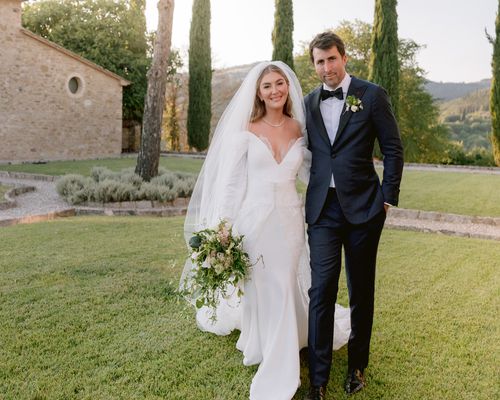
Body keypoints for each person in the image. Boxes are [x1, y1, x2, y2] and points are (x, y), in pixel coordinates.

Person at [181, 61, 350, 400]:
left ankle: (283, 349)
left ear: (288, 87)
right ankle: (269, 347)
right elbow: (230, 184)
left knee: (285, 283)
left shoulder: (300, 129)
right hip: (253, 222)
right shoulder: (246, 129)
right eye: (267, 86)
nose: (275, 90)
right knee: (262, 285)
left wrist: (349, 185)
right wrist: (224, 226)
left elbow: (314, 174)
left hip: (288, 220)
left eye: (279, 83)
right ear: (258, 93)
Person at [303, 32, 404, 400]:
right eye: (319, 61)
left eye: (331, 59)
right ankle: (318, 380)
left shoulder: (372, 95)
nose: (326, 67)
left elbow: (393, 148)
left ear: (343, 58)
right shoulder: (309, 102)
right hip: (322, 211)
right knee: (321, 291)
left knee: (361, 290)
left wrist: (387, 197)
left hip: (365, 208)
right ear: (313, 65)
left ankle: (357, 366)